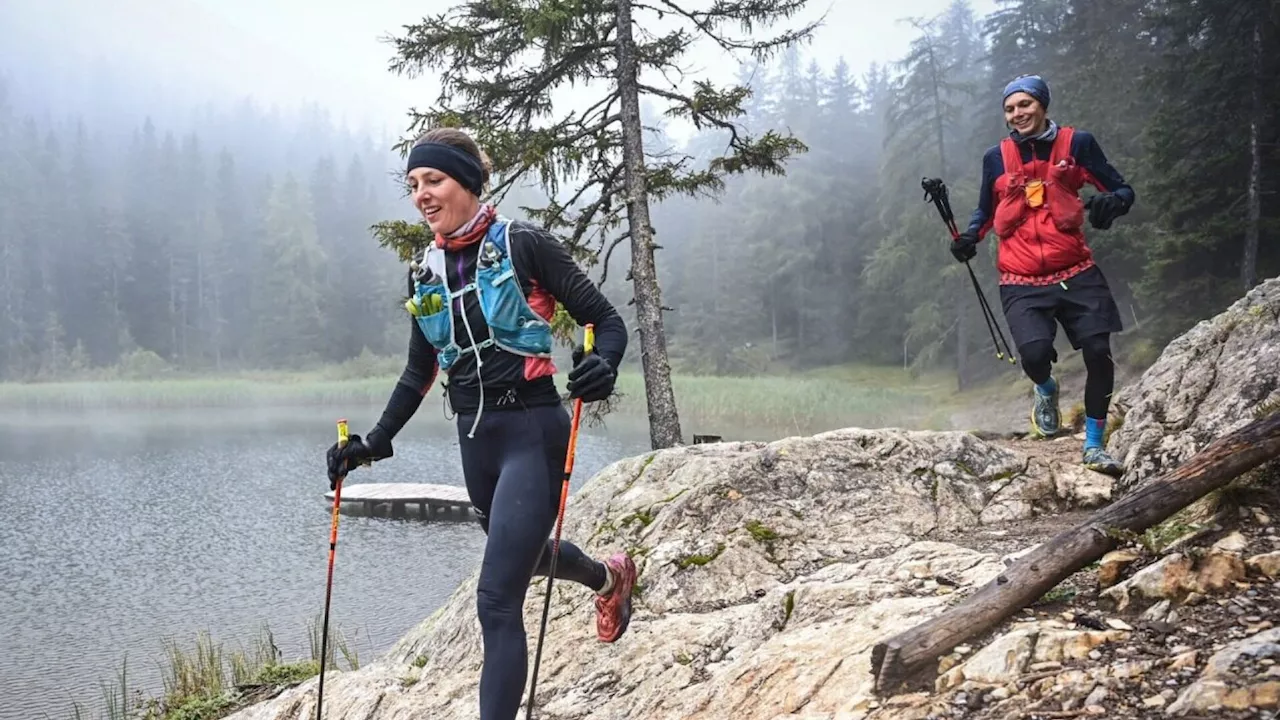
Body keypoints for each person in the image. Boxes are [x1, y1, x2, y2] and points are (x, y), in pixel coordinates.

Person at [324, 127, 638, 720]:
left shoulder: (522, 245)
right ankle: (608, 577)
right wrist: (373, 443)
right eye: (413, 184)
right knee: (525, 554)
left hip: (531, 432)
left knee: (496, 598)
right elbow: (420, 369)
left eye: (434, 180)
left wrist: (603, 364)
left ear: (467, 182)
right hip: (476, 441)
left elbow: (607, 321)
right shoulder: (424, 270)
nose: (422, 194)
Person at [950, 74, 1132, 477]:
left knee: (1098, 353)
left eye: (1025, 105)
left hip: (1077, 271)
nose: (1017, 114)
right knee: (1034, 357)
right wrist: (968, 238)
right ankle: (1046, 390)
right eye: (1010, 109)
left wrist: (1112, 204)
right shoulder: (995, 157)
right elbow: (985, 211)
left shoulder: (1077, 144)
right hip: (1021, 279)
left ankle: (1094, 444)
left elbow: (1122, 189)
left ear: (1043, 104)